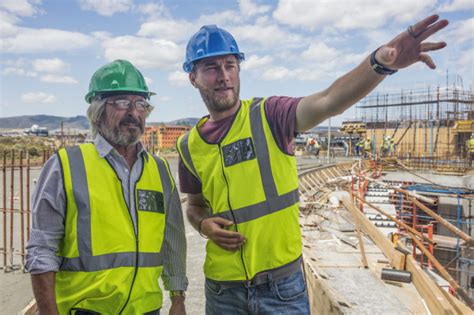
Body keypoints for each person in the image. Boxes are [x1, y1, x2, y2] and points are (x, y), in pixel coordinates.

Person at [177, 15, 448, 314]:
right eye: (211, 68)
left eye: (230, 65)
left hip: (280, 286)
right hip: (222, 289)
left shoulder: (269, 115)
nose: (224, 75)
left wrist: (380, 63)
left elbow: (330, 99)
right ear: (193, 77)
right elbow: (195, 205)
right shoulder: (189, 145)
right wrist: (202, 223)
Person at [25, 60, 188, 315]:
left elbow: (172, 241)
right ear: (98, 110)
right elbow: (42, 250)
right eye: (122, 102)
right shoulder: (66, 166)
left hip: (147, 309)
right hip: (84, 310)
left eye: (141, 104)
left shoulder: (159, 170)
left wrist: (178, 298)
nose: (134, 112)